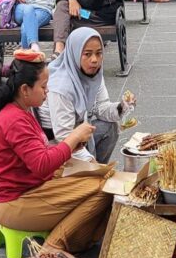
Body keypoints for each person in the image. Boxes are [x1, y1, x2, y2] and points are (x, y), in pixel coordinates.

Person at [0, 50, 110, 258]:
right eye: (43, 87)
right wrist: (72, 138)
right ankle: (53, 246)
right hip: (14, 203)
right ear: (25, 90)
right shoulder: (13, 118)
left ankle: (71, 238)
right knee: (103, 190)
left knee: (100, 176)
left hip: (28, 189)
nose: (47, 91)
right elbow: (41, 164)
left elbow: (38, 155)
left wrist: (72, 146)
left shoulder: (20, 110)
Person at [38, 28, 135, 163]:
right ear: (75, 54)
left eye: (99, 53)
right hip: (56, 146)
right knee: (92, 165)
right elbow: (64, 136)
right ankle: (92, 173)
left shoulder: (93, 74)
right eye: (87, 54)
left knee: (109, 127)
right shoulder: (61, 87)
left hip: (78, 132)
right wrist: (91, 163)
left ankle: (95, 171)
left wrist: (122, 107)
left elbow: (101, 108)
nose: (94, 60)